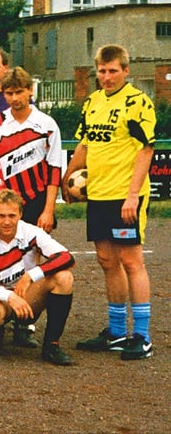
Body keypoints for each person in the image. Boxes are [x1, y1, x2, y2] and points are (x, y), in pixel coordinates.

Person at [68, 44, 155, 360]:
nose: (106, 77)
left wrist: (133, 195)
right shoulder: (92, 102)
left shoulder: (137, 103)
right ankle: (117, 332)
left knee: (132, 261)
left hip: (124, 196)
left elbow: (146, 150)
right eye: (102, 71)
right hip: (99, 194)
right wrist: (70, 176)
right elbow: (85, 144)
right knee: (107, 260)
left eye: (113, 70)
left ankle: (142, 336)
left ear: (126, 70)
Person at [0, 189, 75, 365]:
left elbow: (66, 257)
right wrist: (8, 296)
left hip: (26, 295)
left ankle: (51, 345)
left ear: (21, 214)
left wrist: (31, 275)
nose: (7, 221)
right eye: (1, 216)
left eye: (12, 215)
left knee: (64, 278)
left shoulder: (31, 231)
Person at [0, 67, 63, 232]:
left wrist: (48, 210)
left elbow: (54, 168)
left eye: (19, 92)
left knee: (33, 254)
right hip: (3, 202)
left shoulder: (47, 124)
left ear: (30, 90)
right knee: (2, 253)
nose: (14, 98)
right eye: (9, 93)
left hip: (36, 199)